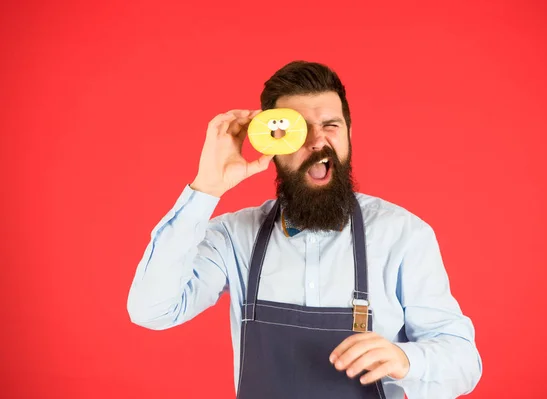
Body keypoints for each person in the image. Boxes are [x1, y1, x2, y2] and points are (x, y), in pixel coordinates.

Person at [127, 61, 482, 398]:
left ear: (348, 135)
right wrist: (206, 188)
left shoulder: (404, 236)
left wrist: (406, 359)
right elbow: (153, 310)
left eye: (331, 125)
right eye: (292, 130)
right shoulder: (235, 238)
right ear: (270, 145)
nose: (316, 141)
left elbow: (464, 362)